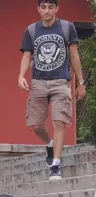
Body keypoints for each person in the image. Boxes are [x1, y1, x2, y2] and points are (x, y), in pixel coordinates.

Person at [18, 0, 86, 180]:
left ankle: (55, 164)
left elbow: (74, 55)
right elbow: (26, 55)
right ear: (38, 9)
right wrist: (21, 75)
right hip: (38, 82)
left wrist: (81, 82)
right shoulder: (32, 30)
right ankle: (50, 144)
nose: (47, 11)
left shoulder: (67, 28)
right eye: (43, 7)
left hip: (60, 82)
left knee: (59, 121)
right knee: (36, 125)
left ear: (56, 8)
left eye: (50, 7)